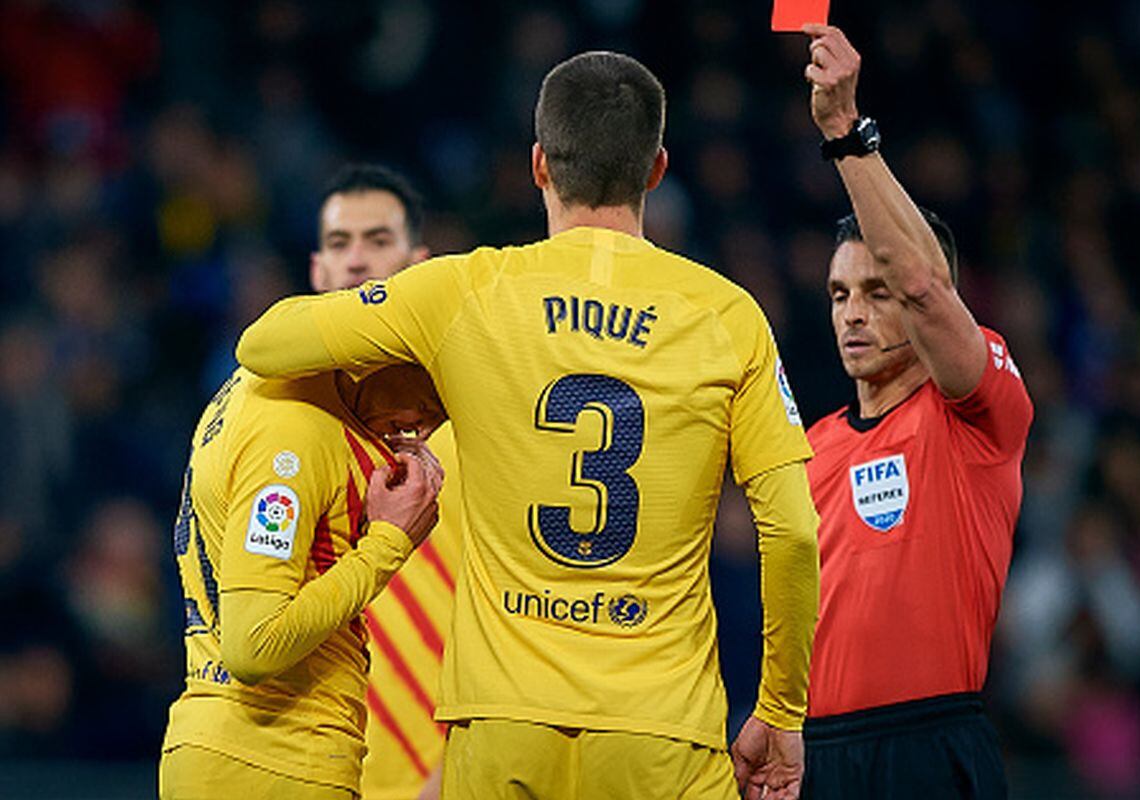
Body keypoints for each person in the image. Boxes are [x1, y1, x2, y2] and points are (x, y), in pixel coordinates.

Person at [237, 51, 821, 800]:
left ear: (540, 165)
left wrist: (421, 378)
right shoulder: (728, 315)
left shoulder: (465, 291)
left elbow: (264, 343)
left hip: (501, 723)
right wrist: (780, 708)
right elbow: (796, 531)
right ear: (656, 169)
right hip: (661, 730)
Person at [797, 24, 1034, 799]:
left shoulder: (977, 414)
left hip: (929, 748)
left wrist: (845, 135)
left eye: (877, 292)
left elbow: (927, 287)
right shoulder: (812, 449)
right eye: (839, 295)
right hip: (816, 752)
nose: (852, 315)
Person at [159, 359, 447, 800]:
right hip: (277, 757)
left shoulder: (269, 383)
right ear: (376, 348)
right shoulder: (294, 433)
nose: (427, 425)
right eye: (431, 392)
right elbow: (254, 644)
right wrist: (389, 542)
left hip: (225, 747)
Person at [311, 163, 462, 800]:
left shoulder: (471, 423)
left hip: (446, 778)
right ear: (317, 271)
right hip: (311, 768)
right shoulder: (286, 428)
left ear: (418, 264)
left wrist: (458, 771)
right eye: (340, 244)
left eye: (377, 241)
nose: (356, 262)